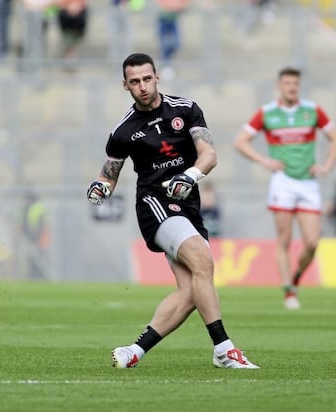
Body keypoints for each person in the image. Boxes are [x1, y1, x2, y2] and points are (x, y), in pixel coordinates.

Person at [87, 53, 258, 369]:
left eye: (147, 79)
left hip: (188, 205)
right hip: (155, 204)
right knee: (203, 261)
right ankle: (224, 349)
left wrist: (190, 175)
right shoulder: (123, 131)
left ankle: (134, 351)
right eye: (135, 82)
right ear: (125, 85)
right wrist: (100, 188)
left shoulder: (185, 109)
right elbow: (108, 175)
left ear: (157, 77)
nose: (142, 86)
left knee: (193, 291)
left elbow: (208, 153)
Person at [233, 67, 336, 310]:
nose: (292, 87)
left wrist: (326, 165)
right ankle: (287, 290)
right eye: (287, 83)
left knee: (312, 242)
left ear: (299, 85)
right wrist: (264, 161)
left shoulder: (312, 111)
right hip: (282, 181)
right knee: (283, 238)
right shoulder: (267, 113)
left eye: (295, 83)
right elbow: (240, 141)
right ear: (279, 85)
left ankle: (296, 277)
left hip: (308, 182)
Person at [155, 0, 188, 79]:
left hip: (173, 20)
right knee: (164, 45)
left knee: (176, 43)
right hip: (163, 20)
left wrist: (177, 6)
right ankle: (166, 66)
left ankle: (169, 65)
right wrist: (170, 6)